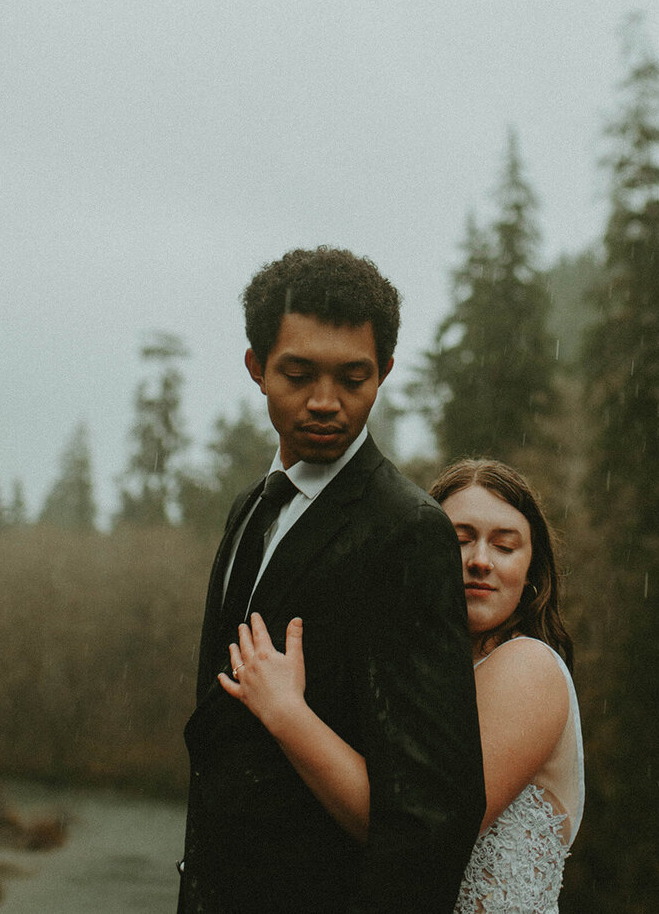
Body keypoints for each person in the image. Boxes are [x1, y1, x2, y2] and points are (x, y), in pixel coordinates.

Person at [177, 247, 485, 914]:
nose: (325, 403)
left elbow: (432, 816)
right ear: (256, 367)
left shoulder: (408, 532)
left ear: (386, 373)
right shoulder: (249, 509)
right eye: (298, 373)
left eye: (354, 378)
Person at [223, 458, 584, 914]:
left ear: (532, 572)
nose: (479, 561)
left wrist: (286, 713)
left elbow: (416, 832)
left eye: (505, 546)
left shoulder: (527, 668)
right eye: (459, 540)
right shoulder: (413, 678)